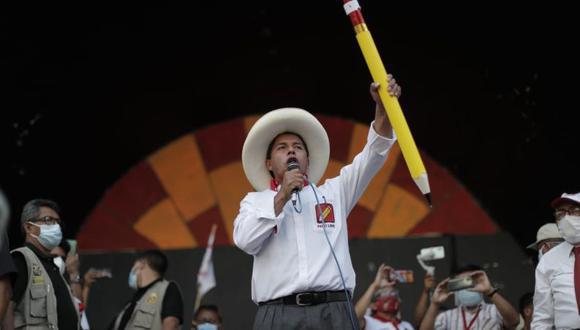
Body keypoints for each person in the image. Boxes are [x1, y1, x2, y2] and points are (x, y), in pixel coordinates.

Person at [233, 76, 401, 329]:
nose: (291, 151)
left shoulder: (334, 192)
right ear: (268, 164)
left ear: (307, 160)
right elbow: (245, 241)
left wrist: (384, 108)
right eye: (282, 147)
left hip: (333, 311)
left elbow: (374, 154)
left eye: (298, 146)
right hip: (278, 313)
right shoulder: (254, 202)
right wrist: (282, 197)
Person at [5, 199, 79, 330]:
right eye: (48, 220)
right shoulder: (21, 260)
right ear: (29, 227)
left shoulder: (53, 266)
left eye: (57, 222)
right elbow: (6, 309)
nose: (56, 226)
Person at [419, 265, 519, 330]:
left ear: (480, 282)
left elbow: (514, 321)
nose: (466, 287)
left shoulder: (495, 310)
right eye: (461, 283)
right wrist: (434, 304)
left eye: (468, 281)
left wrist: (490, 291)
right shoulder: (446, 317)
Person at [532, 192, 580, 328]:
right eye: (560, 214)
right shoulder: (548, 261)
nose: (566, 218)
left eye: (574, 211)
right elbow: (542, 316)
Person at [110, 250, 183, 330]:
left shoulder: (167, 289)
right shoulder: (130, 305)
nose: (132, 271)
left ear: (141, 264)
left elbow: (171, 323)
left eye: (134, 265)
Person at [355, 264, 414, 330]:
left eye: (393, 293)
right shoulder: (369, 322)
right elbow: (355, 318)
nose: (391, 297)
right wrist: (375, 286)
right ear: (373, 305)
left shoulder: (406, 326)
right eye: (385, 293)